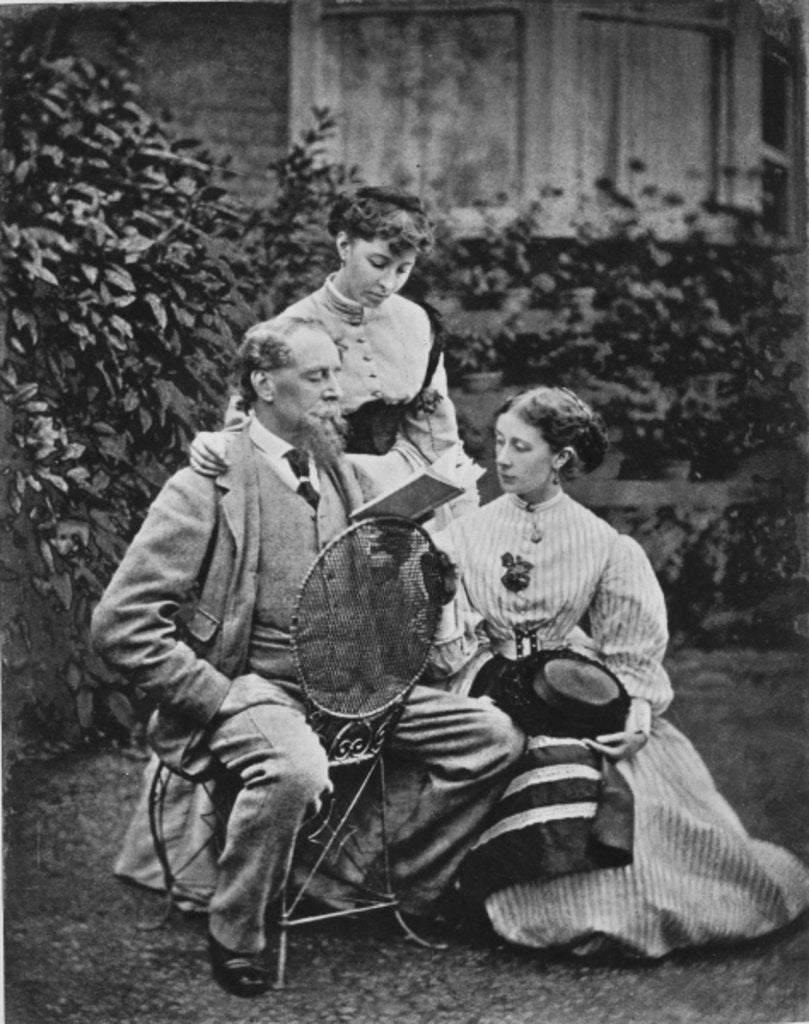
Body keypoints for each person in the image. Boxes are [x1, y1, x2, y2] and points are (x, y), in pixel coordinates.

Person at [92, 317, 524, 997]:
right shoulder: (204, 485)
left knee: (492, 737)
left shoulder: (340, 472)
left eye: (336, 376)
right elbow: (120, 625)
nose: (335, 392)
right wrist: (214, 694)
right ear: (264, 384)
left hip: (351, 687)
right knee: (294, 769)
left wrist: (426, 583)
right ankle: (236, 929)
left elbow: (366, 591)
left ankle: (389, 882)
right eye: (318, 377)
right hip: (258, 690)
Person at [431, 385, 809, 958]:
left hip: (568, 686)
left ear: (560, 458)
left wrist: (635, 713)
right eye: (499, 442)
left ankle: (618, 898)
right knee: (526, 753)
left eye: (520, 447)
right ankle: (494, 897)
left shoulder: (602, 543)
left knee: (625, 773)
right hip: (485, 682)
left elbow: (631, 649)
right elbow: (447, 647)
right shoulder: (463, 534)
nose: (501, 459)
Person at [190, 185, 478, 510]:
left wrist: (460, 504)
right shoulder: (290, 328)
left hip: (405, 484)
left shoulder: (416, 321)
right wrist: (217, 443)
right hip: (320, 491)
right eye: (378, 263)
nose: (388, 283)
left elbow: (435, 429)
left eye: (403, 269)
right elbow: (247, 429)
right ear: (344, 246)